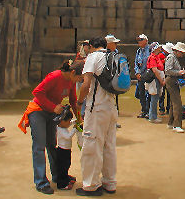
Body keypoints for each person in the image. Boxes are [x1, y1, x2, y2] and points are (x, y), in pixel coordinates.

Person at [22, 60, 83, 195]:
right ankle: (41, 182)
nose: (80, 80)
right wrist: (52, 107)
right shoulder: (55, 76)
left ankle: (58, 175)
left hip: (52, 113)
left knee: (52, 144)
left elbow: (73, 100)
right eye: (79, 77)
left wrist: (79, 117)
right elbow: (37, 92)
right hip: (38, 111)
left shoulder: (72, 81)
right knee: (39, 146)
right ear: (73, 72)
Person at [76, 36, 118, 196]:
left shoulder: (92, 58)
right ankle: (110, 182)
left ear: (92, 46)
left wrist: (80, 102)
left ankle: (91, 185)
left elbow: (85, 85)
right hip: (111, 107)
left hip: (96, 108)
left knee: (92, 146)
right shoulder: (112, 57)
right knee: (109, 145)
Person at [165, 42, 185, 133]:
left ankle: (171, 123)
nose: (182, 55)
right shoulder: (171, 57)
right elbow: (168, 70)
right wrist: (179, 72)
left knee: (173, 103)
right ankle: (177, 125)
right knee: (177, 103)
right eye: (181, 53)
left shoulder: (173, 57)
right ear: (177, 51)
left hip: (173, 81)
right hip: (171, 80)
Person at [56, 109, 77, 190]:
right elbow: (68, 137)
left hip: (66, 151)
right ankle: (62, 184)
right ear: (61, 121)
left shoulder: (63, 125)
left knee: (67, 165)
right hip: (62, 152)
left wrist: (75, 121)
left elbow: (69, 123)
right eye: (68, 121)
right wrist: (75, 128)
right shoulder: (60, 130)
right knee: (63, 167)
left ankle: (66, 177)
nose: (70, 122)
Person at [146, 42, 165, 123]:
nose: (160, 48)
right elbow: (154, 70)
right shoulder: (153, 57)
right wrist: (161, 80)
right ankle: (152, 117)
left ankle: (153, 115)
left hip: (157, 78)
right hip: (155, 79)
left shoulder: (156, 56)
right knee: (154, 97)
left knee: (155, 97)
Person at [134, 34, 150, 118]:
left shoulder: (150, 50)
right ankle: (144, 110)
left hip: (148, 76)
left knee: (148, 94)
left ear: (146, 41)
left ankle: (148, 111)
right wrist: (137, 73)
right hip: (140, 76)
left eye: (141, 39)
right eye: (138, 40)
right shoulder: (138, 51)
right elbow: (136, 62)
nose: (139, 41)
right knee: (141, 94)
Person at [159, 43, 174, 114]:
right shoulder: (160, 55)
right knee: (162, 93)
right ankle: (161, 108)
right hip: (162, 75)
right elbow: (158, 63)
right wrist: (164, 61)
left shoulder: (171, 56)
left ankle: (168, 108)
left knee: (169, 94)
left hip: (168, 76)